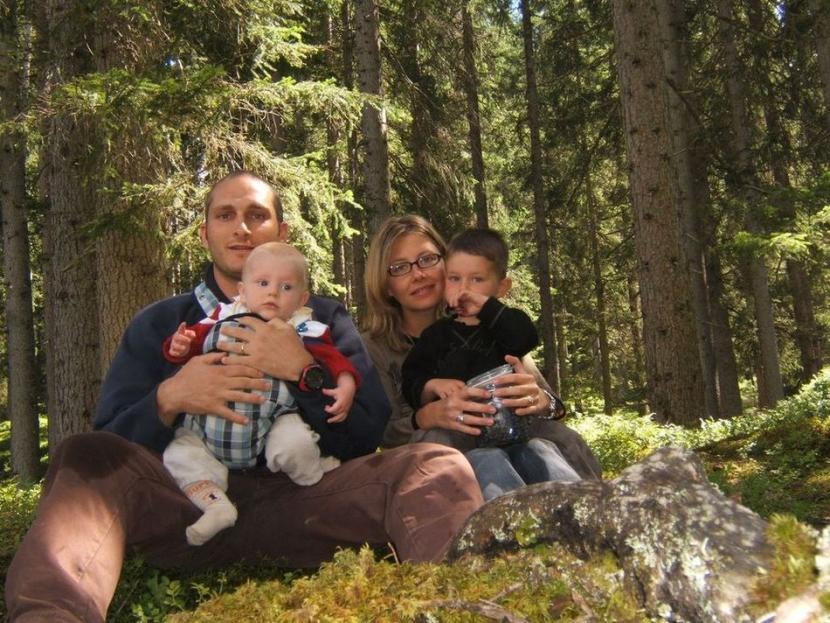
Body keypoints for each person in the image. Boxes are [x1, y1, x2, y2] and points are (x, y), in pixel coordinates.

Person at [6, 173, 484, 623]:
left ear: (282, 231)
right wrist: (169, 398)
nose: (242, 228)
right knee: (82, 454)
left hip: (304, 503)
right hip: (188, 507)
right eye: (225, 215)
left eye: (257, 215)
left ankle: (471, 607)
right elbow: (109, 444)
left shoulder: (322, 321)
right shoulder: (163, 323)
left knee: (433, 465)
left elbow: (366, 431)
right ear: (204, 234)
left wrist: (303, 372)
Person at [362, 215, 602, 501]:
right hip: (446, 465)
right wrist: (425, 416)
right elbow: (384, 434)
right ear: (386, 285)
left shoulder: (491, 323)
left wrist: (539, 400)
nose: (418, 275)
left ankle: (593, 511)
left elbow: (554, 407)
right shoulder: (374, 348)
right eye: (400, 267)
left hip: (517, 438)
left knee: (557, 440)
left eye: (427, 259)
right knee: (452, 451)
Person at [162, 242, 358, 546]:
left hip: (271, 422)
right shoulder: (223, 315)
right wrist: (179, 346)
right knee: (179, 454)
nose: (273, 293)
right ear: (242, 290)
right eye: (263, 283)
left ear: (302, 299)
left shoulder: (304, 327)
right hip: (207, 426)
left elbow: (334, 360)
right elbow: (192, 342)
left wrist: (346, 383)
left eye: (286, 287)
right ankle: (215, 505)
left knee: (296, 442)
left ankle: (312, 475)